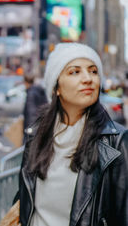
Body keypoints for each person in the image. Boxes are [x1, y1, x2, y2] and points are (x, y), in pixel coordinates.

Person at [17, 43, 128, 226]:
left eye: (93, 71)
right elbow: (26, 201)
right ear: (56, 88)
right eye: (74, 72)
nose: (88, 79)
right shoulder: (36, 136)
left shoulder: (116, 142)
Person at [22, 74, 48, 144]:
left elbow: (31, 112)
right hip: (41, 124)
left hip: (33, 128)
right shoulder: (39, 90)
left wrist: (31, 129)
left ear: (26, 82)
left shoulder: (31, 93)